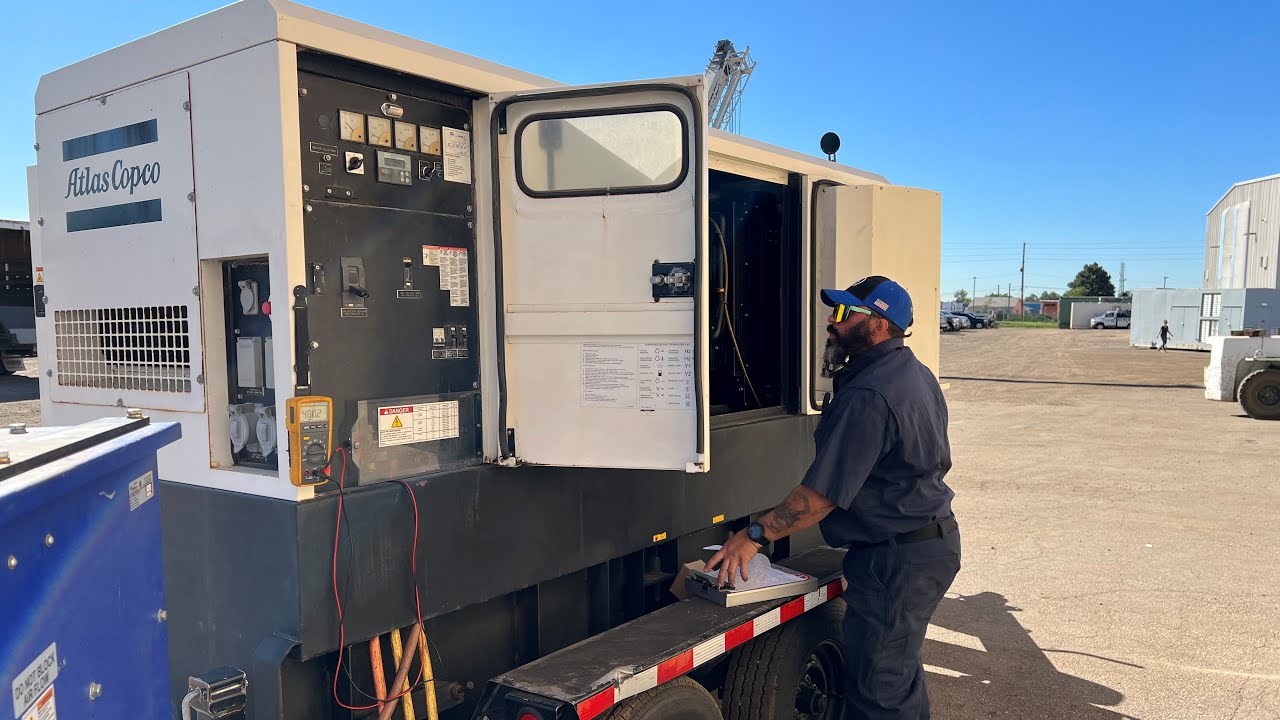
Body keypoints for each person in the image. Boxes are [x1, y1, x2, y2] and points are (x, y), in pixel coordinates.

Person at [706, 275, 961, 720]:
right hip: (925, 546)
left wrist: (753, 535)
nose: (831, 321)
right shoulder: (914, 374)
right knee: (898, 675)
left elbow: (819, 498)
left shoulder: (869, 393)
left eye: (844, 314)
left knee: (879, 694)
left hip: (896, 561)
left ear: (878, 325)